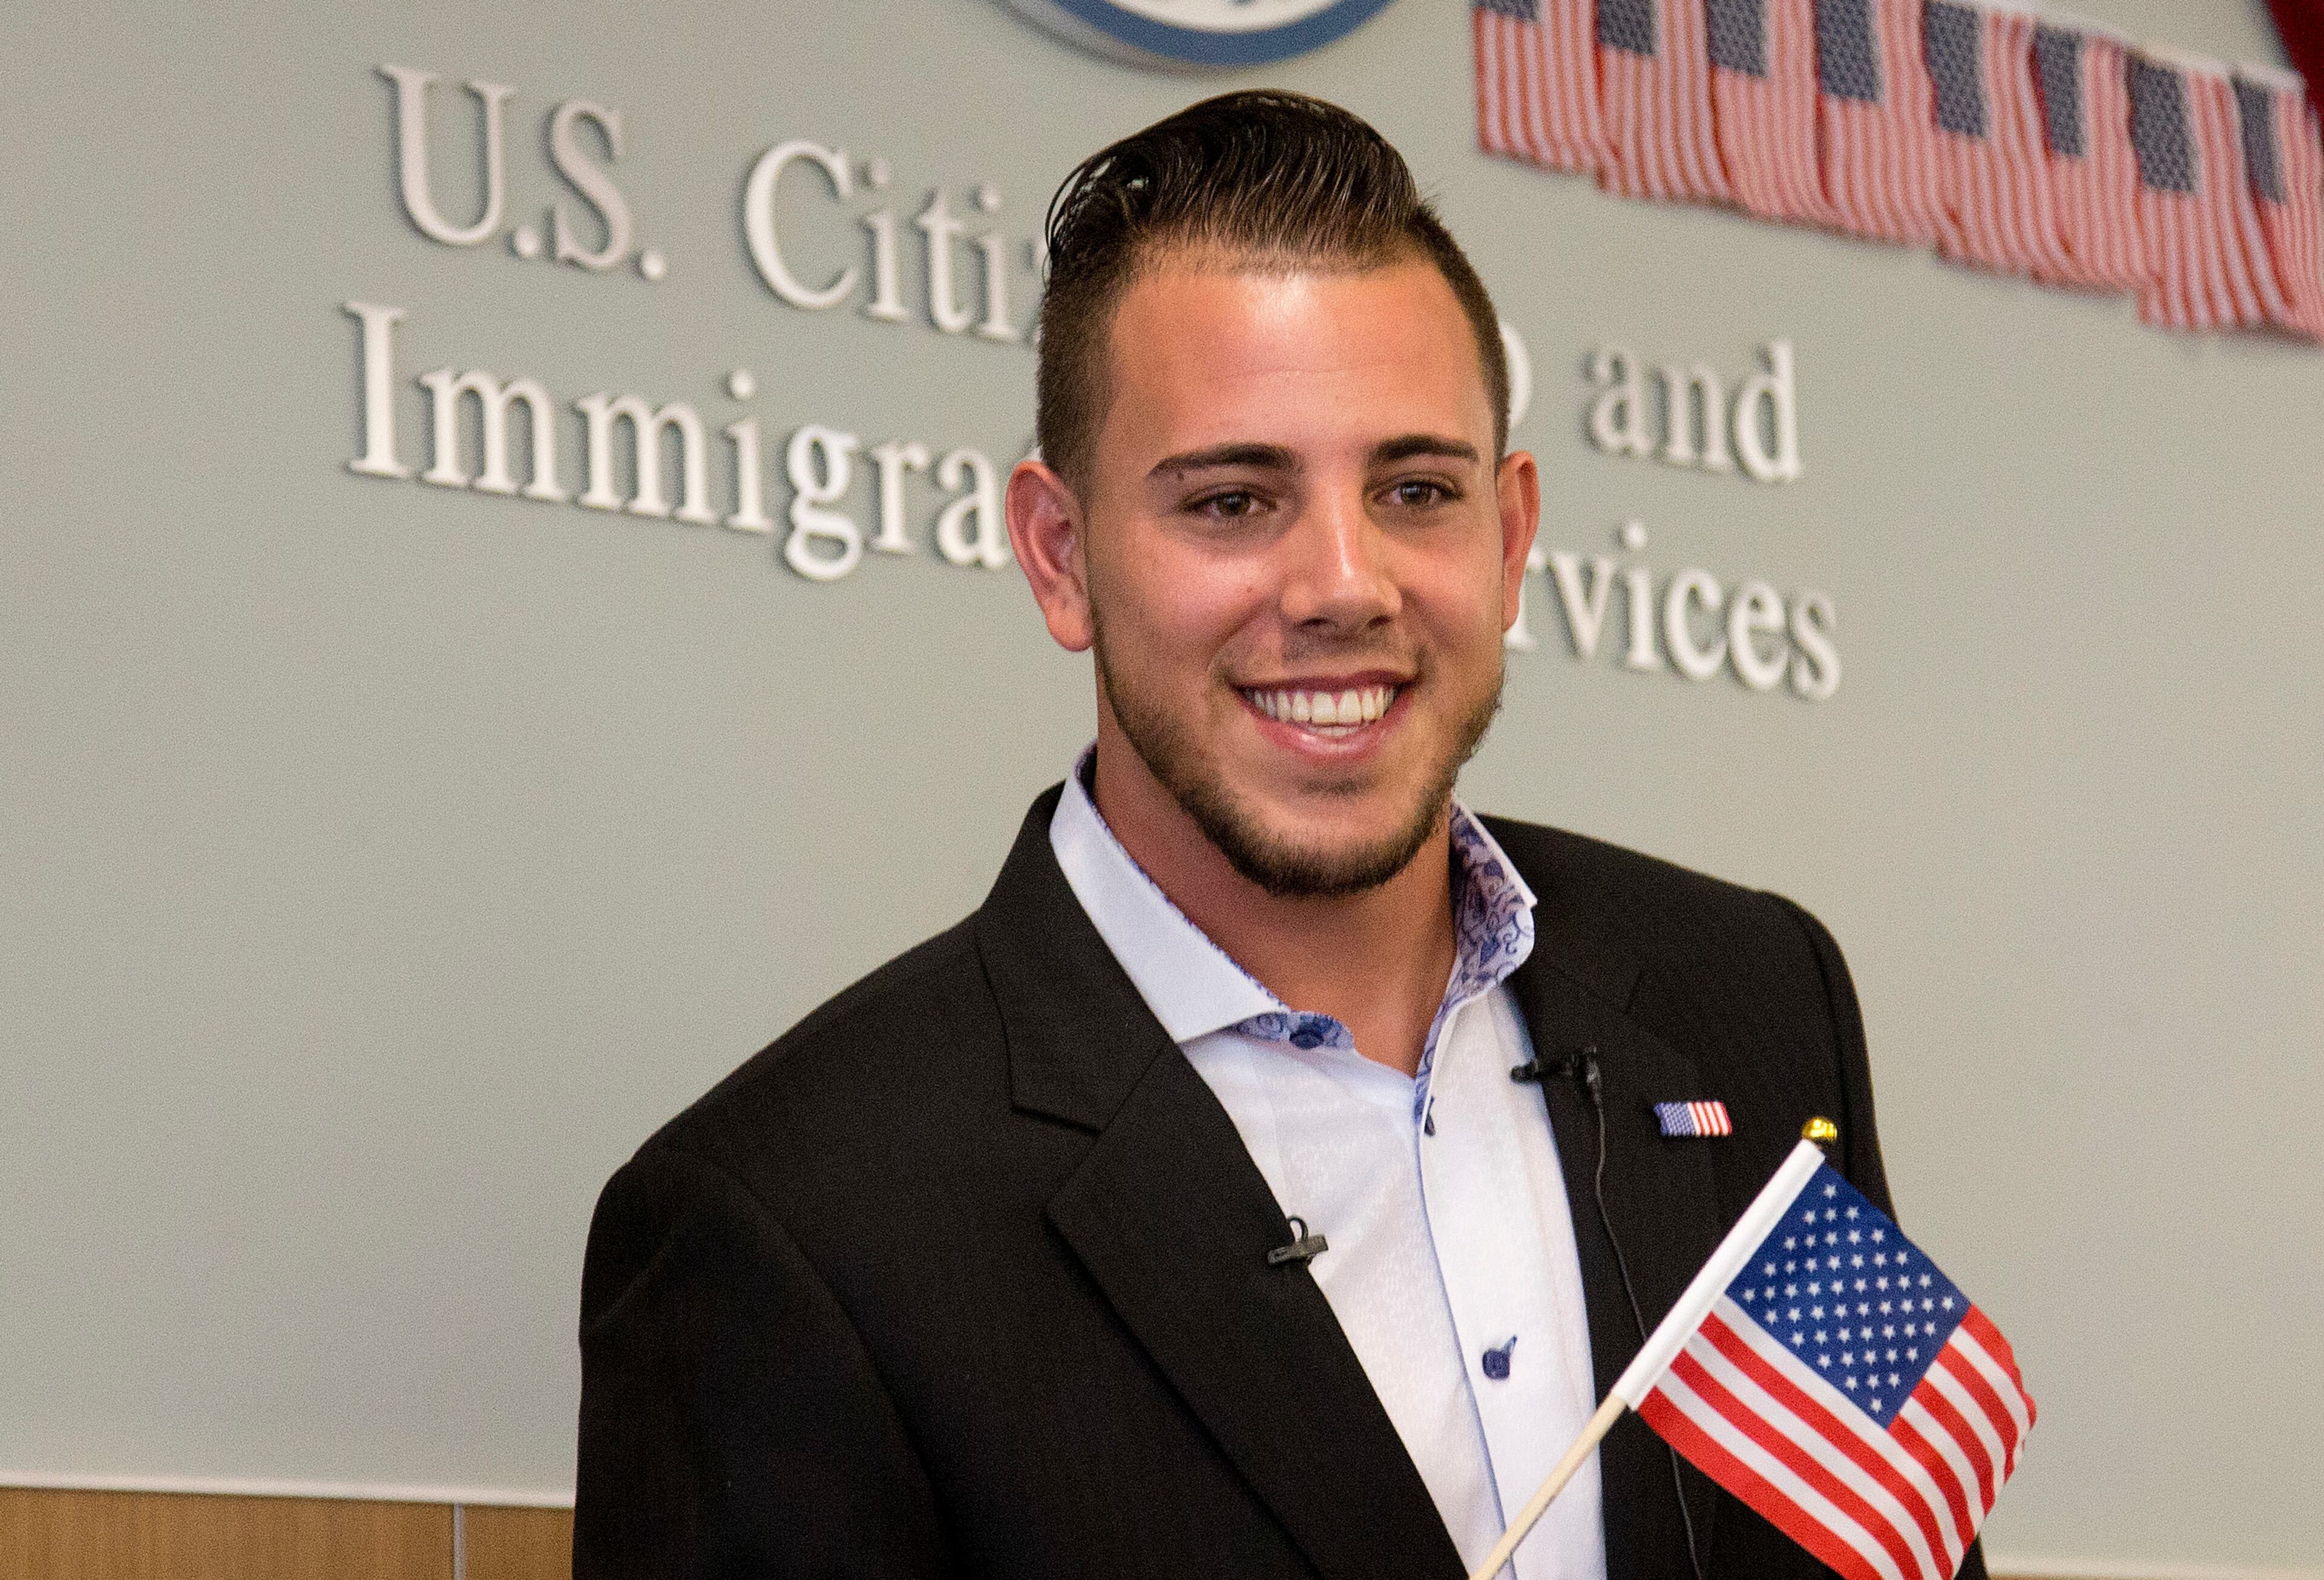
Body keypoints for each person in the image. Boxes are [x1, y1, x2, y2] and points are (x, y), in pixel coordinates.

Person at [574, 90, 1981, 1580]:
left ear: (1509, 539)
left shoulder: (1749, 997)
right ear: (1061, 559)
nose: (1343, 584)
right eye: (1235, 499)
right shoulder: (790, 1226)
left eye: (1416, 491)